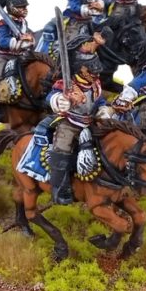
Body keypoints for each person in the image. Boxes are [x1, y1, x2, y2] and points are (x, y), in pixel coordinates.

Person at [47, 30, 110, 204]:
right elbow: (51, 96)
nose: (95, 73)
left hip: (91, 121)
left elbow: (99, 100)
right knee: (62, 148)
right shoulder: (65, 84)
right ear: (80, 68)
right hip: (70, 121)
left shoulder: (95, 84)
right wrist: (58, 100)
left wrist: (103, 108)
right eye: (90, 70)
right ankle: (60, 190)